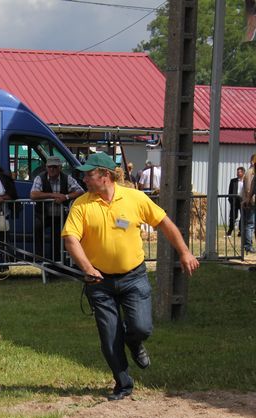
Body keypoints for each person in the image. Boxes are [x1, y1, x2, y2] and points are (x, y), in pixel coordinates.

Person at [62, 152, 200, 401]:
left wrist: (184, 252)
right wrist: (87, 268)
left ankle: (135, 342)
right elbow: (71, 239)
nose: (84, 179)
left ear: (105, 176)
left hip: (133, 277)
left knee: (141, 327)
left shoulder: (135, 198)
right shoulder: (82, 204)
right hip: (99, 281)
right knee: (109, 335)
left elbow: (165, 223)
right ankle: (123, 384)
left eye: (89, 174)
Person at [30, 155, 83, 262]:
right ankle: (39, 260)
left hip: (60, 215)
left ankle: (57, 263)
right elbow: (33, 195)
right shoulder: (40, 177)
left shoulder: (67, 178)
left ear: (60, 168)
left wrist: (66, 197)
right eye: (50, 167)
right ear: (46, 167)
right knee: (37, 231)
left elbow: (81, 191)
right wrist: (53, 195)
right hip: (42, 214)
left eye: (55, 167)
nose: (52, 169)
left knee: (58, 239)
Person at [241, 154, 256, 253]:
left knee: (250, 224)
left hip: (251, 200)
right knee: (250, 224)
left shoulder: (250, 172)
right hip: (252, 202)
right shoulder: (251, 173)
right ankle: (248, 245)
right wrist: (248, 199)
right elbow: (249, 188)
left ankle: (248, 245)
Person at [227, 166, 245, 237]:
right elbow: (230, 191)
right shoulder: (233, 181)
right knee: (233, 216)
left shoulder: (245, 181)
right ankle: (229, 231)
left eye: (239, 172)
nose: (237, 173)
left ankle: (241, 231)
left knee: (243, 216)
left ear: (243, 173)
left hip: (242, 200)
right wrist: (230, 200)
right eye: (237, 172)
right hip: (234, 201)